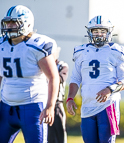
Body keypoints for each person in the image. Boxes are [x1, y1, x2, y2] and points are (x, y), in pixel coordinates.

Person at [0, 5, 59, 143]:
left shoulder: (36, 46)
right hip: (6, 105)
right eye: (7, 22)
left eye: (14, 22)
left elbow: (53, 77)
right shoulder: (2, 44)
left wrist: (50, 106)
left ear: (26, 23)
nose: (9, 26)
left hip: (32, 107)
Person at [66, 15, 124, 143]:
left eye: (103, 31)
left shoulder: (116, 51)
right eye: (95, 31)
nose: (99, 34)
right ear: (90, 33)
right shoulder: (82, 51)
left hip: (108, 106)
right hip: (87, 106)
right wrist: (70, 98)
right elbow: (75, 78)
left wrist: (109, 90)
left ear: (109, 33)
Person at [48, 47, 69, 143]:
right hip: (45, 103)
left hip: (57, 103)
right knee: (48, 134)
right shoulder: (41, 65)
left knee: (59, 131)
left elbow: (59, 79)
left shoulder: (62, 65)